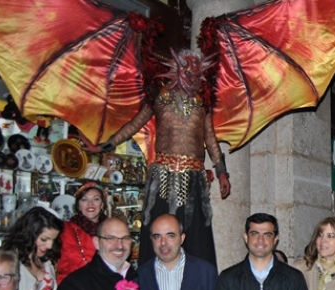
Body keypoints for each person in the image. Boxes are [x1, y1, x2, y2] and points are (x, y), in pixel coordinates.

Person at [86, 49, 230, 267]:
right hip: (162, 176)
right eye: (188, 70)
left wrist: (221, 173)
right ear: (176, 70)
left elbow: (210, 139)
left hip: (193, 179)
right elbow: (134, 124)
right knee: (157, 233)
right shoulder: (160, 98)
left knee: (196, 239)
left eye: (196, 71)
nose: (192, 75)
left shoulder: (203, 104)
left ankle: (199, 289)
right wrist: (104, 146)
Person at [1, 206, 63, 290]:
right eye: (44, 239)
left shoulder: (47, 263)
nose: (49, 246)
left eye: (53, 240)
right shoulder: (8, 263)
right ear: (28, 234)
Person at [56, 182, 107, 284]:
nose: (90, 204)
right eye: (84, 199)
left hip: (104, 285)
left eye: (96, 199)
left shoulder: (111, 229)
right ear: (78, 206)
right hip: (71, 286)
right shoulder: (65, 230)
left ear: (102, 205)